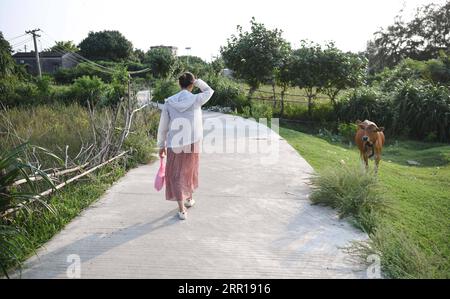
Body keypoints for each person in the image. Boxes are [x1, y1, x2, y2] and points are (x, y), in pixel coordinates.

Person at [156, 72, 214, 220]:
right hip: (193, 141)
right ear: (191, 84)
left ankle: (182, 210)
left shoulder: (169, 102)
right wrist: (198, 82)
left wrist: (161, 145)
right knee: (190, 170)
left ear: (179, 84)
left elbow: (163, 126)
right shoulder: (196, 99)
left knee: (176, 174)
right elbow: (209, 91)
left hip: (175, 142)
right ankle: (189, 199)